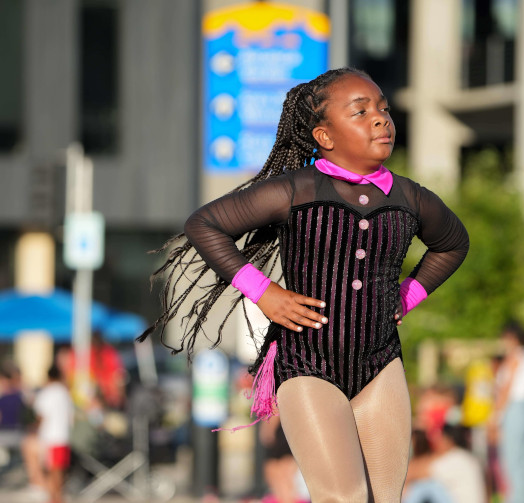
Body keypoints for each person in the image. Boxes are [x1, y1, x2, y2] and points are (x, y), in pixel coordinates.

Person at [138, 67, 470, 502]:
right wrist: (263, 292)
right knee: (344, 497)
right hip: (308, 365)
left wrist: (408, 295)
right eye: (361, 111)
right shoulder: (294, 190)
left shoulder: (411, 197)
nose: (380, 119)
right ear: (325, 136)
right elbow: (205, 224)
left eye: (383, 109)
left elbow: (453, 244)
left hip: (380, 363)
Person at [491, 321, 524, 503]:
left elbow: (506, 388)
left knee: (513, 461)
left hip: (516, 410)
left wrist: (496, 417)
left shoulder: (516, 356)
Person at [24, 365, 74, 503]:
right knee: (58, 475)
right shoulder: (65, 392)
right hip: (64, 437)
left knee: (51, 474)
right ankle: (54, 497)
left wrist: (34, 428)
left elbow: (41, 416)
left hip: (50, 438)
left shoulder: (47, 392)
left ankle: (41, 488)